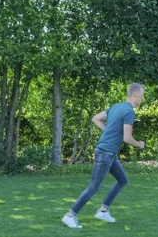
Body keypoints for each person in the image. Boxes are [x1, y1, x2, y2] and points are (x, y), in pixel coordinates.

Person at [62, 83, 146, 229]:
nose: (143, 98)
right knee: (94, 187)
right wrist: (139, 144)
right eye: (142, 95)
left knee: (122, 180)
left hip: (109, 153)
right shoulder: (129, 112)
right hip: (105, 153)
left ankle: (103, 211)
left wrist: (108, 131)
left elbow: (96, 118)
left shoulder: (116, 107)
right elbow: (127, 138)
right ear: (135, 94)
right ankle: (70, 215)